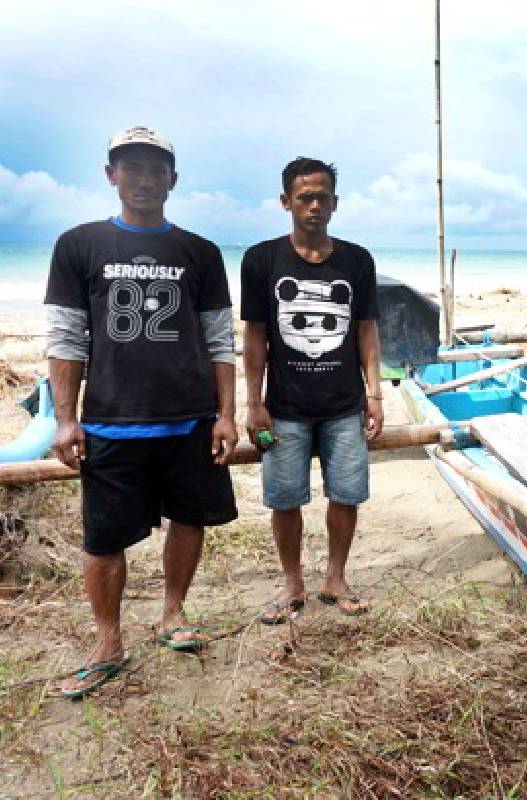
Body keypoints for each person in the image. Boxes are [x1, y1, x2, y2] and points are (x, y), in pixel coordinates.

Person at [44, 126, 238, 699]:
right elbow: (66, 338)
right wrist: (64, 417)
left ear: (173, 180)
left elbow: (219, 340)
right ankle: (108, 639)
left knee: (190, 518)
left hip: (191, 419)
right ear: (111, 175)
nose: (145, 180)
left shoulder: (199, 252)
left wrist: (227, 414)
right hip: (109, 419)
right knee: (103, 540)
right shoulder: (78, 246)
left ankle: (172, 614)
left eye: (157, 170)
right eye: (132, 167)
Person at [241, 157, 383, 624]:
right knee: (285, 498)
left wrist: (375, 394)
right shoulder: (261, 260)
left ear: (336, 202)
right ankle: (292, 584)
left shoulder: (357, 260)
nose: (314, 206)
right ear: (286, 202)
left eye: (323, 197)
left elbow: (366, 330)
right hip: (285, 408)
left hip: (344, 405)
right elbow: (256, 335)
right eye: (304, 197)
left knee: (346, 494)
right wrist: (254, 402)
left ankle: (336, 578)